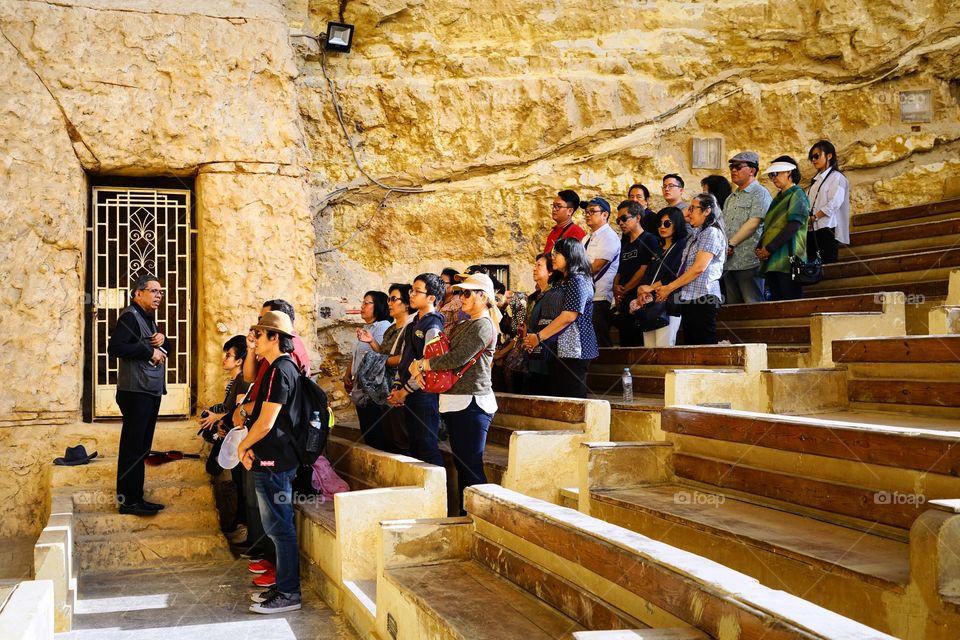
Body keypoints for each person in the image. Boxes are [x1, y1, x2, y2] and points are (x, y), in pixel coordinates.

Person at [409, 273, 499, 514]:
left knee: (471, 467)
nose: (461, 298)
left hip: (472, 403)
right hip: (457, 401)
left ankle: (478, 518)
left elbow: (456, 358)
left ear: (483, 297)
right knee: (463, 465)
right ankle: (465, 516)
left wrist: (423, 365)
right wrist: (419, 365)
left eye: (467, 293)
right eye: (460, 293)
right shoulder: (465, 323)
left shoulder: (483, 324)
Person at [236, 311, 303, 614]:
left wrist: (243, 446)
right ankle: (283, 587)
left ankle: (289, 593)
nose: (255, 339)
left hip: (275, 462)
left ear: (275, 338)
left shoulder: (280, 370)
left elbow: (266, 422)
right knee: (276, 526)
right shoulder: (278, 368)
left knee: (280, 527)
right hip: (270, 459)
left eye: (260, 334)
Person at [107, 274, 170, 516]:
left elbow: (164, 349)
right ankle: (127, 501)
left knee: (142, 449)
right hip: (135, 392)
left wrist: (163, 340)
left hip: (148, 391)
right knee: (132, 448)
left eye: (160, 292)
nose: (158, 296)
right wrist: (148, 352)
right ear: (138, 293)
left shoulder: (148, 318)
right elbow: (115, 347)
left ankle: (136, 497)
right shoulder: (130, 317)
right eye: (153, 291)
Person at [522, 237, 598, 398]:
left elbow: (569, 316)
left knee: (571, 397)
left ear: (570, 255)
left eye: (557, 253)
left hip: (574, 348)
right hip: (556, 347)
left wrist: (539, 337)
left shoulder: (578, 280)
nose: (553, 257)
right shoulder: (560, 282)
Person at [387, 273, 446, 467]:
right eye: (411, 290)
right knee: (413, 445)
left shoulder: (434, 325)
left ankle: (439, 486)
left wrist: (404, 392)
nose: (411, 295)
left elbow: (430, 365)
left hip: (423, 394)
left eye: (417, 291)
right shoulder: (413, 323)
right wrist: (397, 385)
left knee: (426, 447)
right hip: (408, 391)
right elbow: (405, 357)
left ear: (431, 298)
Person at [653, 193, 726, 345]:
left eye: (693, 208)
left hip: (704, 295)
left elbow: (699, 268)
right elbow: (682, 216)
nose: (689, 212)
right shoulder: (697, 233)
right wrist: (692, 210)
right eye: (689, 208)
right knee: (692, 344)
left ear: (707, 211)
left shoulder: (711, 232)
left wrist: (669, 288)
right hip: (689, 296)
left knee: (704, 343)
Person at [198, 335, 251, 544]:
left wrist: (218, 418)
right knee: (237, 483)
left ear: (239, 361)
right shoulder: (235, 382)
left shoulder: (243, 381)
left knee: (242, 486)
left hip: (240, 442)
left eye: (229, 355)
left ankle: (243, 527)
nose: (224, 359)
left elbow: (240, 412)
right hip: (232, 439)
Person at [359, 283, 413, 455]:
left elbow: (404, 358)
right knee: (389, 437)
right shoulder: (391, 329)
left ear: (407, 304)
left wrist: (379, 359)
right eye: (389, 299)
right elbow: (384, 354)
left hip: (400, 386)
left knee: (401, 438)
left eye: (393, 299)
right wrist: (372, 343)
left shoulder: (411, 328)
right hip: (385, 387)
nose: (389, 303)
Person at [757, 157, 811, 301]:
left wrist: (769, 248)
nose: (773, 178)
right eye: (771, 175)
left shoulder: (797, 194)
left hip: (789, 261)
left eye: (776, 173)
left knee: (790, 302)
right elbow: (770, 225)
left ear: (789, 172)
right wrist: (760, 246)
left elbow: (794, 225)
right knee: (777, 303)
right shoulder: (778, 198)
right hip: (772, 260)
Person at [635, 207, 689, 346]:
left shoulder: (683, 245)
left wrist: (650, 287)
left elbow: (676, 273)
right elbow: (648, 273)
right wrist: (641, 289)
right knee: (649, 348)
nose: (662, 227)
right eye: (659, 223)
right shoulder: (659, 248)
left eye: (667, 223)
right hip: (650, 303)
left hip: (668, 302)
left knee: (664, 347)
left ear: (677, 224)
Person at [722, 151, 772, 304]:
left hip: (749, 261)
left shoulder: (760, 193)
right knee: (733, 308)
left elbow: (754, 223)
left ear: (752, 170)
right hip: (729, 262)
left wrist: (731, 244)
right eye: (731, 167)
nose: (733, 170)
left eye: (738, 167)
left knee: (753, 305)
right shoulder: (731, 197)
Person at [345, 291, 391, 450]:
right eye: (362, 303)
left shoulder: (383, 326)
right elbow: (356, 354)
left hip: (372, 388)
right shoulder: (367, 327)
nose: (362, 307)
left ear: (378, 306)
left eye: (367, 303)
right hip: (361, 385)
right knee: (367, 429)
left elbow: (383, 356)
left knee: (375, 431)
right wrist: (348, 374)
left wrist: (371, 341)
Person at [612, 201, 659, 346]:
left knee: (638, 342)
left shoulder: (649, 239)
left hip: (639, 299)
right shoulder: (625, 244)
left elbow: (644, 268)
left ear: (638, 218)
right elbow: (619, 269)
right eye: (618, 220)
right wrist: (616, 288)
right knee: (625, 341)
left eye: (624, 218)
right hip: (624, 299)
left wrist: (624, 290)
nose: (621, 223)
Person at [581, 197, 620, 347]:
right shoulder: (586, 238)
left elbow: (597, 266)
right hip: (587, 294)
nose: (588, 215)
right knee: (588, 339)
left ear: (605, 215)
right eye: (586, 212)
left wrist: (574, 275)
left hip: (600, 295)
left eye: (592, 211)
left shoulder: (609, 236)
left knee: (599, 337)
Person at [524, 253, 563, 395]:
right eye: (534, 265)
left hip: (546, 354)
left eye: (539, 266)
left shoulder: (555, 294)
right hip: (532, 353)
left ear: (550, 271)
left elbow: (549, 323)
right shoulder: (534, 297)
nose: (534, 269)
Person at [806, 140, 850, 264]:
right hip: (812, 229)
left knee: (827, 265)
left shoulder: (837, 177)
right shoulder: (816, 180)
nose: (813, 160)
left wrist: (815, 217)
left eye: (817, 156)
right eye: (811, 157)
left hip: (827, 228)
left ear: (829, 156)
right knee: (813, 267)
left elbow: (834, 203)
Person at [491, 276, 527, 393]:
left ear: (497, 292)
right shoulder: (499, 308)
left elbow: (519, 334)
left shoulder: (519, 301)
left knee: (508, 367)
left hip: (523, 344)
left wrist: (501, 353)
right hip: (507, 345)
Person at [543, 189, 586, 254]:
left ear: (570, 211)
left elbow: (576, 259)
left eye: (558, 206)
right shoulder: (553, 232)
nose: (554, 209)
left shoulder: (576, 233)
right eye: (554, 206)